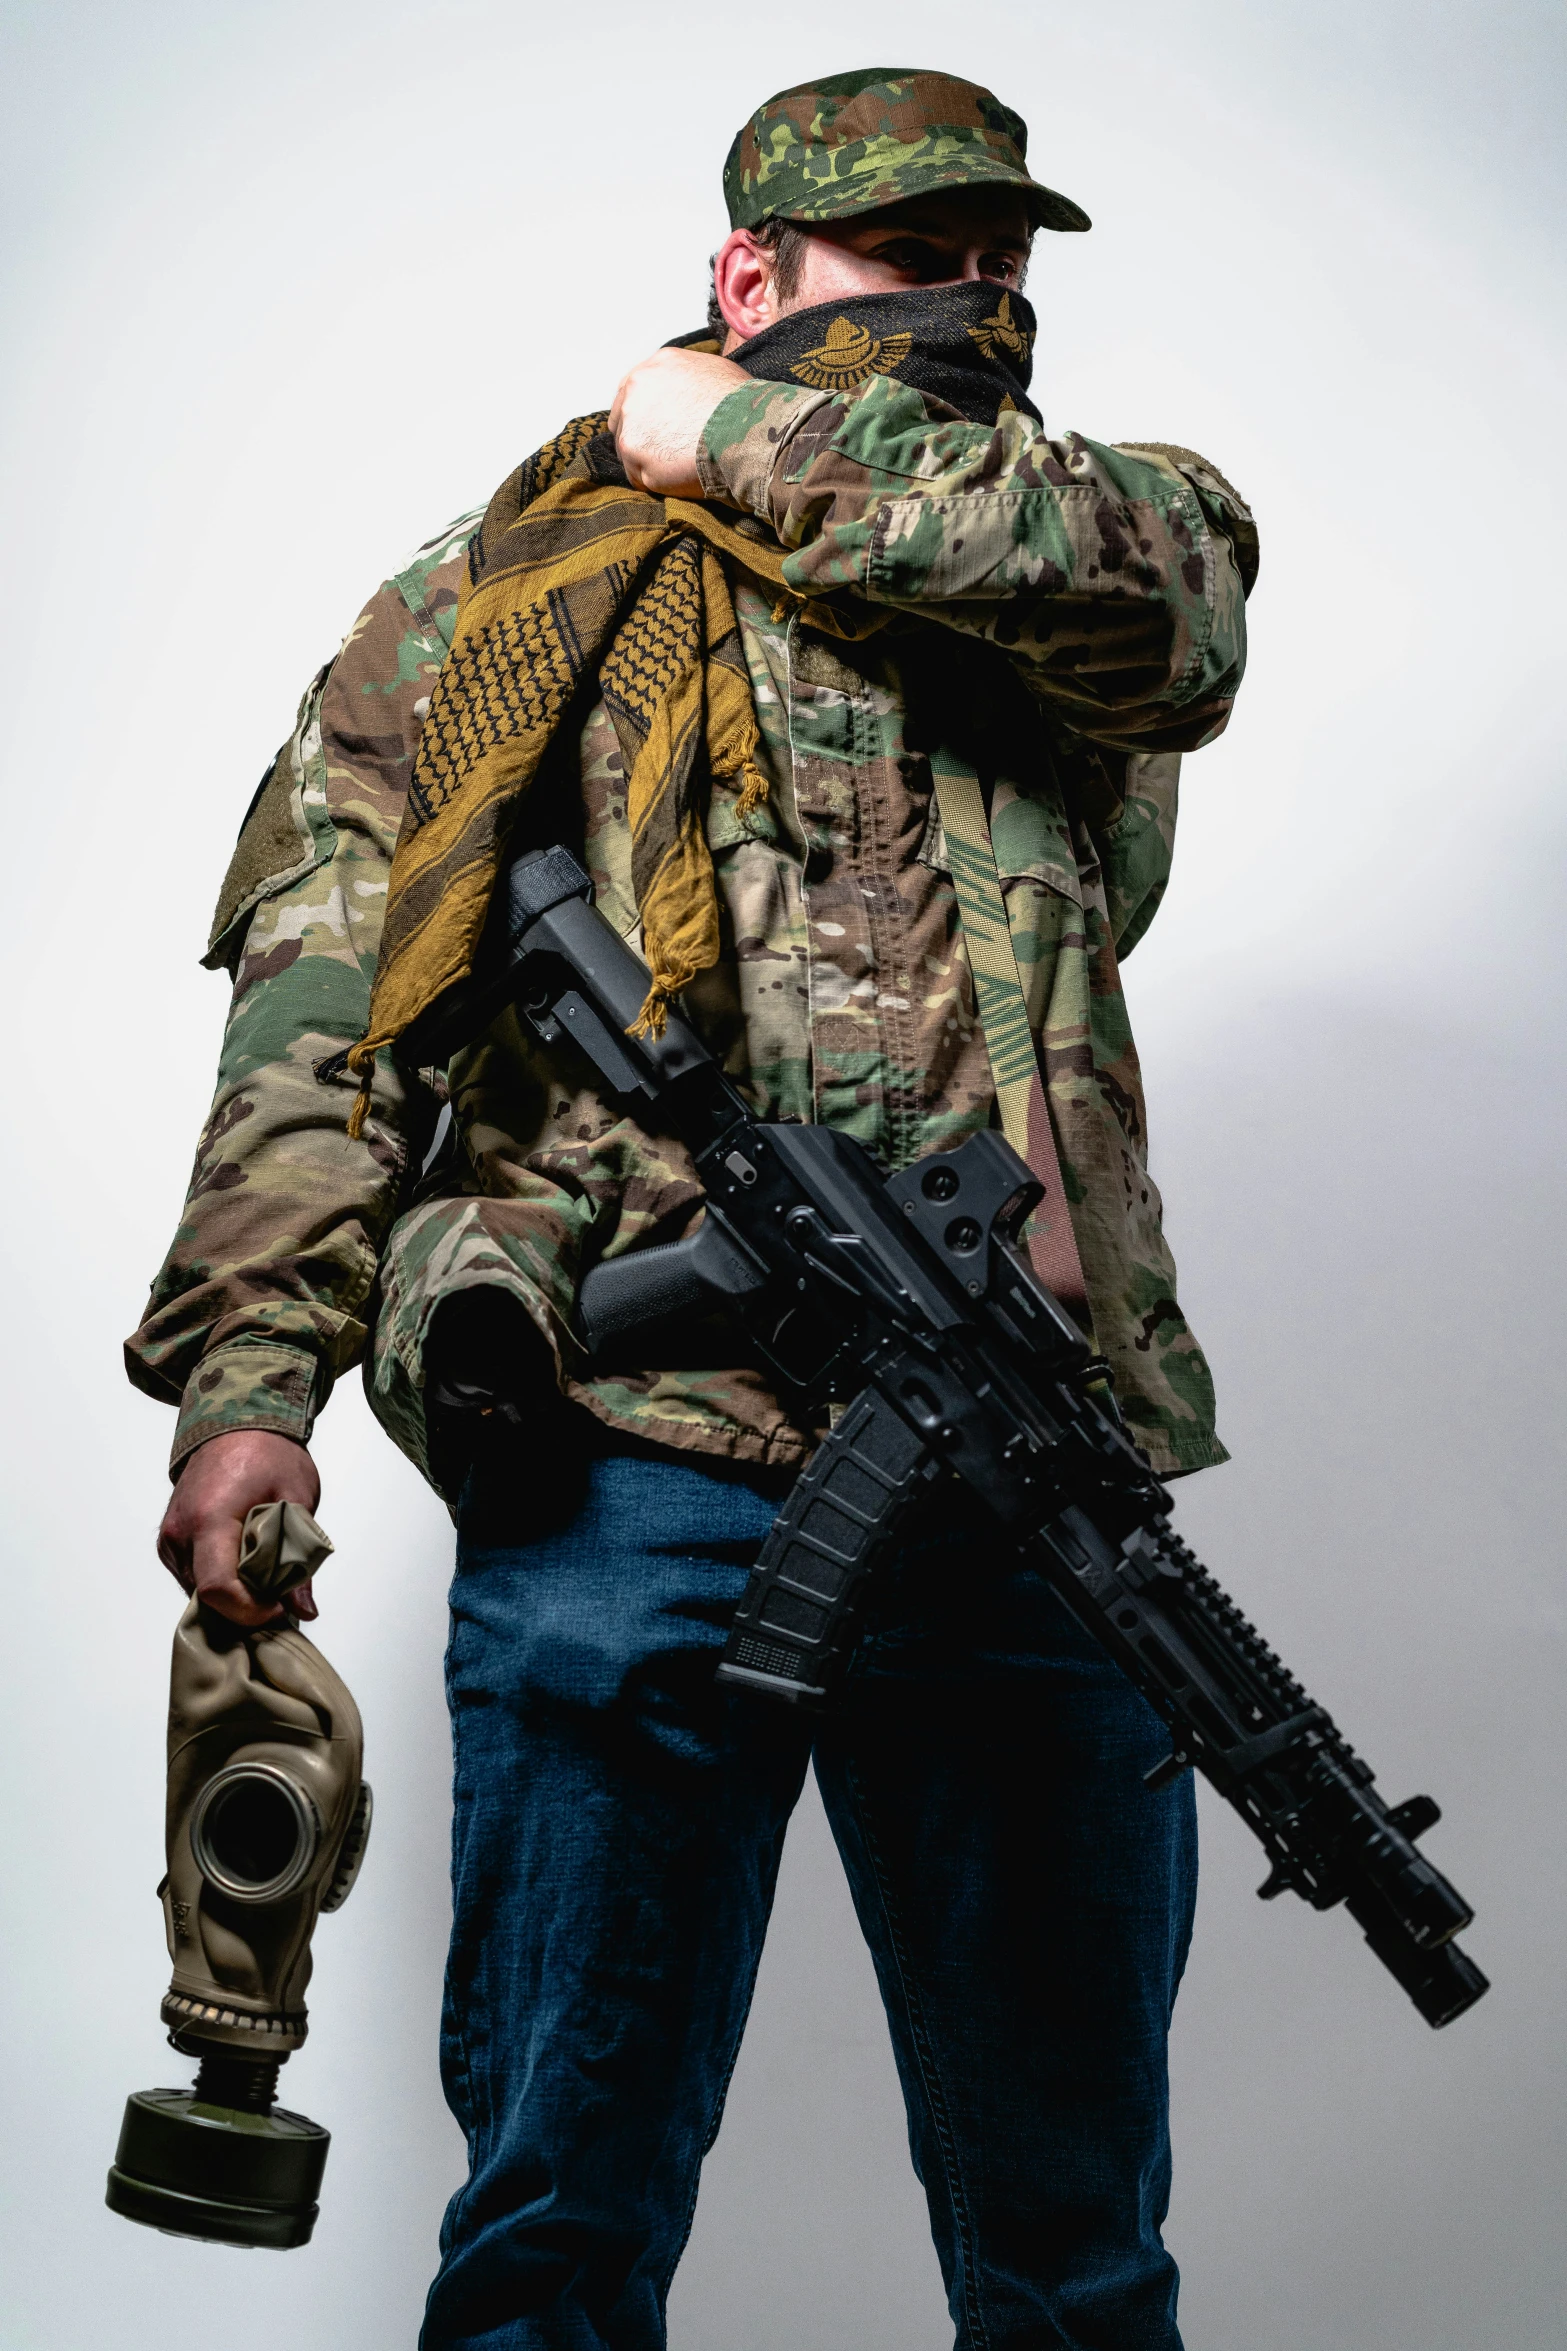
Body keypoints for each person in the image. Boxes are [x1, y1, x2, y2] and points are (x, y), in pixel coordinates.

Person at [130, 65, 1258, 2351]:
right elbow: (327, 1014)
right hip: (626, 1458)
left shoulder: (1091, 547)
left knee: (1075, 2249)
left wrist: (710, 423)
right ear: (749, 274)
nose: (971, 309)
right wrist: (252, 1392)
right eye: (910, 262)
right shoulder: (495, 597)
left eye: (1003, 268)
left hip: (1025, 1471)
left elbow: (1164, 612)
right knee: (559, 2216)